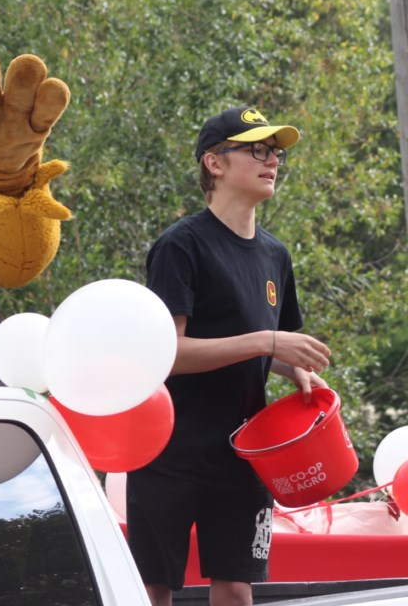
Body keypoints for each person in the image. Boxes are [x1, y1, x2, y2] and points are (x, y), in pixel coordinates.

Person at [126, 106, 332, 606]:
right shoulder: (181, 245)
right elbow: (169, 355)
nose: (273, 161)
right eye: (257, 149)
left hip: (245, 453)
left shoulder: (274, 255)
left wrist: (297, 372)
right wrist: (268, 343)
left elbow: (264, 350)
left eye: (276, 152)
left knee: (238, 589)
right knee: (153, 589)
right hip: (167, 452)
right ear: (214, 163)